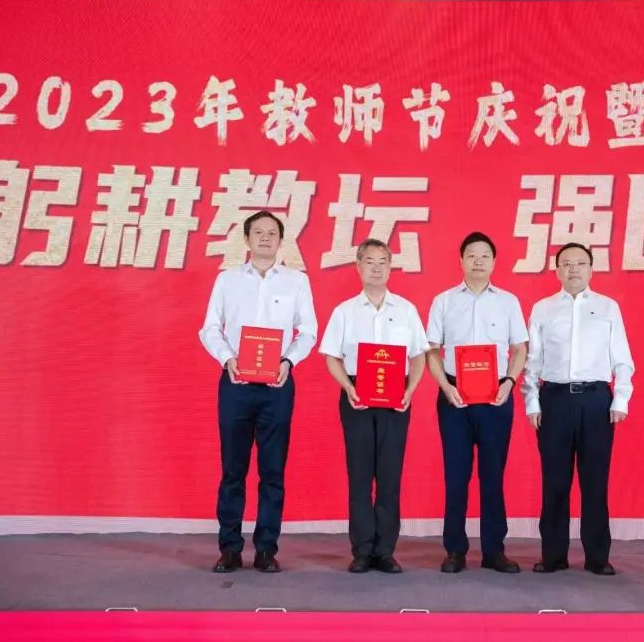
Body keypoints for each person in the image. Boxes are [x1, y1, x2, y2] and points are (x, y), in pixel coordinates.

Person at [198, 210, 317, 573]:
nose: (265, 238)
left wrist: (288, 361)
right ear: (247, 239)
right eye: (258, 232)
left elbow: (308, 331)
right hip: (236, 384)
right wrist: (228, 359)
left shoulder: (296, 282)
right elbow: (209, 328)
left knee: (273, 471)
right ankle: (230, 548)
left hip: (277, 385)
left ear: (280, 241)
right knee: (233, 470)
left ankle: (266, 549)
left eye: (272, 233)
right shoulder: (227, 280)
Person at [522, 242, 634, 576]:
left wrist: (621, 398)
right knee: (555, 481)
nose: (573, 269)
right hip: (554, 399)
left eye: (580, 263)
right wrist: (532, 401)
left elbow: (622, 358)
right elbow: (533, 361)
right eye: (566, 264)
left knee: (594, 481)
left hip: (596, 400)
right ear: (557, 270)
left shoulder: (608, 307)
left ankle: (598, 556)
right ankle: (553, 555)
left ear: (591, 269)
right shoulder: (543, 309)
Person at [319, 238, 428, 573]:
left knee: (390, 475)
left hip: (396, 399)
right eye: (370, 261)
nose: (377, 268)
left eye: (383, 262)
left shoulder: (406, 310)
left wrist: (410, 390)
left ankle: (385, 551)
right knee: (360, 474)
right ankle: (362, 550)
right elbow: (331, 356)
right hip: (357, 397)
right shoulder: (345, 311)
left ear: (391, 267)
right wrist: (348, 387)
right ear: (358, 266)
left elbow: (419, 356)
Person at [425, 232, 528, 574]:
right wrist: (445, 387)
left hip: (496, 396)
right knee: (456, 476)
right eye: (471, 255)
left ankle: (494, 551)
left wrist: (510, 382)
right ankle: (455, 550)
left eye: (485, 255)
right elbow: (431, 350)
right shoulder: (443, 301)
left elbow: (520, 348)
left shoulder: (508, 302)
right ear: (461, 261)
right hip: (454, 395)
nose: (478, 261)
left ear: (494, 261)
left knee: (492, 476)